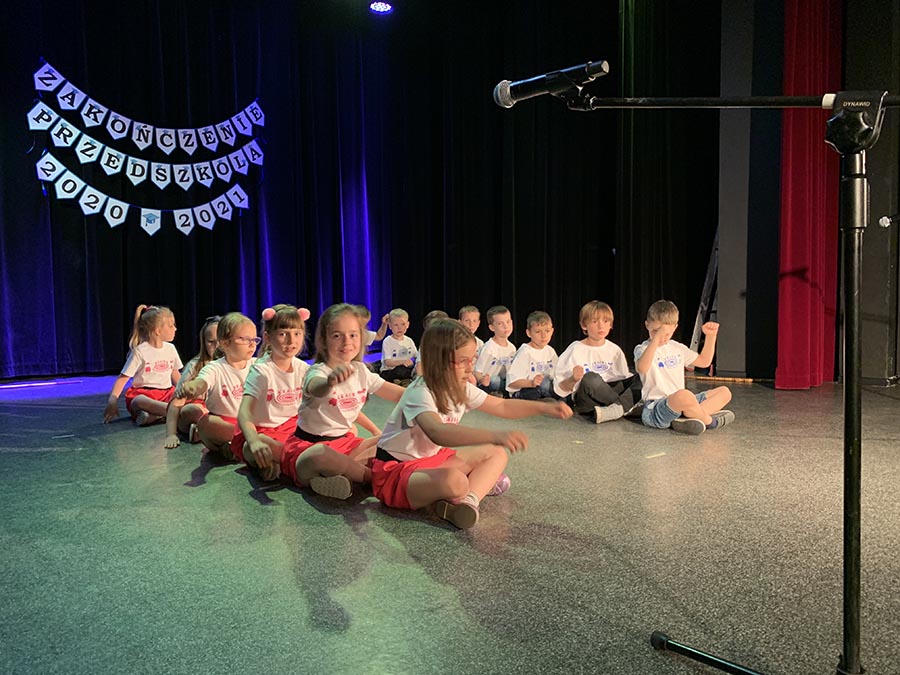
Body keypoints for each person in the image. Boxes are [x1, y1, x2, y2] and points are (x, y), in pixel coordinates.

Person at [372, 319, 572, 529]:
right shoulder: (420, 392)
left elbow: (502, 406)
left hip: (431, 461)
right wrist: (494, 435)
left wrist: (544, 408)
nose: (471, 367)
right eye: (463, 361)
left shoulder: (460, 388)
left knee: (497, 453)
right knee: (456, 482)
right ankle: (461, 489)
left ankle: (467, 502)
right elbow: (438, 432)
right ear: (438, 361)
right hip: (395, 472)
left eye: (472, 359)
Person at [279, 303, 406, 499]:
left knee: (391, 439)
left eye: (353, 335)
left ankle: (338, 475)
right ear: (324, 340)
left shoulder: (361, 371)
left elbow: (399, 394)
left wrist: (430, 395)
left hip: (344, 445)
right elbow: (315, 387)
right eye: (337, 336)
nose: (347, 342)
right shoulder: (318, 371)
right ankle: (375, 478)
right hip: (308, 448)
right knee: (321, 454)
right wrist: (329, 382)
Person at [233, 305, 310, 481]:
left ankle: (284, 465)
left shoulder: (303, 368)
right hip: (265, 431)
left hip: (293, 429)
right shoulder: (261, 371)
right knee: (258, 445)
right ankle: (305, 468)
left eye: (297, 334)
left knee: (347, 431)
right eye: (283, 334)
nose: (291, 340)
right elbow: (244, 412)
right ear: (268, 337)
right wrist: (254, 441)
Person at [634, 300, 734, 435]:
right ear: (647, 325)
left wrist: (711, 336)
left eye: (666, 334)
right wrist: (655, 339)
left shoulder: (677, 347)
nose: (661, 337)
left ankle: (686, 417)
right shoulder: (642, 349)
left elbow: (704, 361)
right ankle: (709, 421)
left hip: (682, 402)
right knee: (684, 395)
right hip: (655, 408)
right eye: (656, 331)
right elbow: (642, 368)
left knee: (724, 392)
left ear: (675, 328)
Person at [174, 312, 259, 457]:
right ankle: (241, 445)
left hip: (251, 423)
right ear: (225, 343)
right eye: (244, 339)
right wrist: (192, 387)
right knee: (206, 424)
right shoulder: (215, 367)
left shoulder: (258, 365)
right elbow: (202, 382)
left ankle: (236, 448)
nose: (252, 344)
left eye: (254, 339)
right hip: (226, 423)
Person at [555, 300, 639, 424]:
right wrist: (573, 378)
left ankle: (613, 411)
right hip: (588, 398)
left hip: (610, 390)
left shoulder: (615, 350)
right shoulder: (575, 349)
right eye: (595, 321)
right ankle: (625, 408)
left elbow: (622, 379)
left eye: (605, 321)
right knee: (591, 378)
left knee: (640, 376)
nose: (601, 326)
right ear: (584, 325)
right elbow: (560, 389)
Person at [103, 304, 182, 425]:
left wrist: (185, 390)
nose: (175, 329)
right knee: (138, 401)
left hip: (166, 393)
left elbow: (174, 373)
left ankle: (155, 415)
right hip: (145, 394)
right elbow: (123, 378)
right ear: (158, 330)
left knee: (181, 397)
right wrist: (112, 401)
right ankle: (172, 411)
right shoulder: (140, 351)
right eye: (171, 326)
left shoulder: (170, 349)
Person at [164, 315, 220, 448]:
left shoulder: (234, 366)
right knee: (194, 410)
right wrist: (171, 434)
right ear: (204, 343)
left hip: (219, 414)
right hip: (192, 412)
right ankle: (203, 430)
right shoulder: (194, 366)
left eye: (220, 341)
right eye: (211, 342)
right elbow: (176, 402)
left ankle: (201, 432)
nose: (217, 346)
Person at [506, 311, 558, 400]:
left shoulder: (550, 351)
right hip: (524, 392)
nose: (544, 335)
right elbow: (512, 383)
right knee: (543, 385)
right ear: (529, 333)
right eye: (538, 332)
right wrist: (531, 383)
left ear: (552, 331)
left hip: (544, 390)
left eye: (547, 331)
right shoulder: (525, 352)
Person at [473, 305, 516, 397]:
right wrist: (482, 380)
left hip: (504, 382)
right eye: (500, 324)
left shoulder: (512, 348)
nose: (506, 326)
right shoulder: (488, 348)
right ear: (492, 327)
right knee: (495, 380)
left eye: (508, 322)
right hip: (489, 383)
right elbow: (477, 372)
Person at [380, 308, 418, 385]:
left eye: (403, 324)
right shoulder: (387, 341)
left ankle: (405, 381)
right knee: (400, 371)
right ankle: (401, 382)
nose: (399, 328)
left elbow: (416, 356)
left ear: (407, 325)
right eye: (396, 325)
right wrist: (402, 362)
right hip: (390, 371)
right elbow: (388, 362)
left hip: (405, 369)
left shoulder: (409, 340)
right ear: (390, 326)